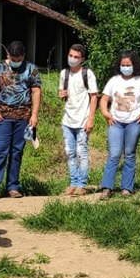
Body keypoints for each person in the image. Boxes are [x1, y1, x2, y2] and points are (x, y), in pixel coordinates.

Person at [0, 41, 42, 201]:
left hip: (23, 118)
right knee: (0, 151)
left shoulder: (31, 69)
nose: (16, 60)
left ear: (23, 56)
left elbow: (36, 92)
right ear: (7, 55)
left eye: (19, 58)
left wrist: (34, 115)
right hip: (2, 117)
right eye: (13, 57)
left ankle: (13, 187)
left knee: (17, 152)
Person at [98, 51, 140, 199]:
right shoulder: (113, 80)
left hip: (134, 122)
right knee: (114, 154)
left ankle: (127, 188)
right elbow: (104, 99)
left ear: (134, 65)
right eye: (123, 65)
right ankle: (107, 187)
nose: (125, 67)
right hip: (116, 122)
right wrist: (105, 112)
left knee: (129, 154)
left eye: (128, 65)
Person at [58, 43, 98, 196]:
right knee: (69, 152)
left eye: (76, 57)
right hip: (67, 120)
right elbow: (63, 93)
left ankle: (82, 184)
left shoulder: (88, 74)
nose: (72, 59)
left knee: (81, 152)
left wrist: (91, 119)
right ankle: (73, 182)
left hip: (82, 120)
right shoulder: (64, 73)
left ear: (82, 59)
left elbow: (94, 97)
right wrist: (62, 95)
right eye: (70, 55)